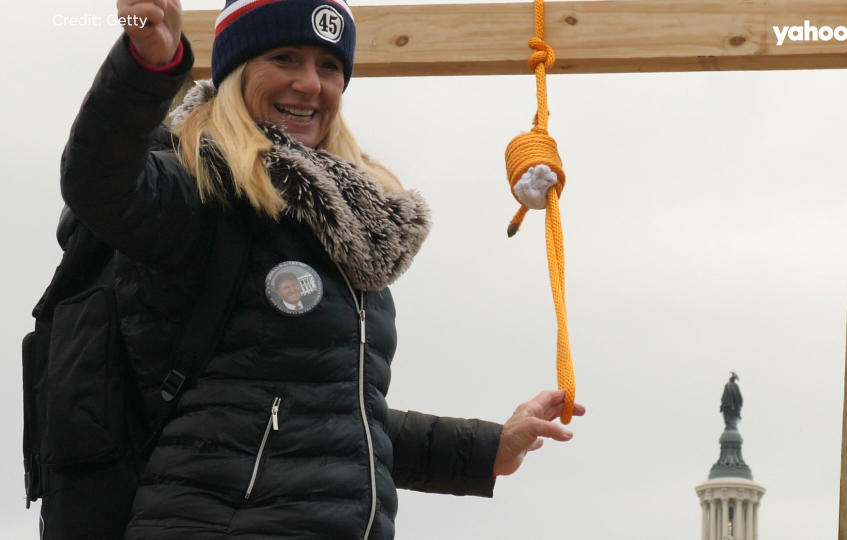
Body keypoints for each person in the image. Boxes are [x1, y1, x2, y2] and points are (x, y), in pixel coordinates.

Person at [59, 1, 585, 538]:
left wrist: (488, 448)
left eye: (328, 66)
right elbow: (97, 181)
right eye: (284, 58)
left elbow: (330, 422)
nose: (309, 84)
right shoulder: (197, 189)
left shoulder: (341, 223)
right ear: (235, 71)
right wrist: (146, 65)